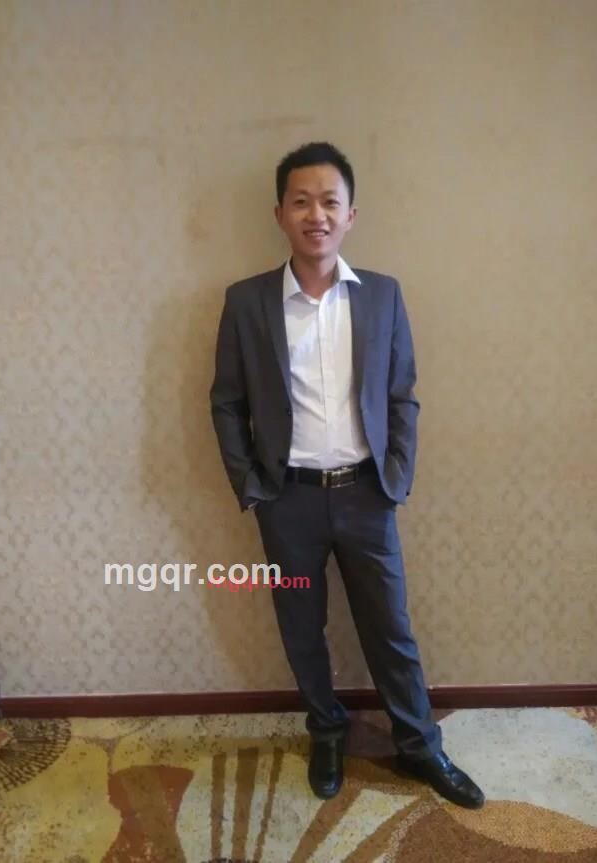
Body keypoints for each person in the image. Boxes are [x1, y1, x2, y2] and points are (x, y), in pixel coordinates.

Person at [209, 141, 484, 809]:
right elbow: (226, 401)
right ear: (280, 213)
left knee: (390, 627)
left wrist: (396, 476)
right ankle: (327, 731)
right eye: (301, 201)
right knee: (301, 626)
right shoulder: (247, 302)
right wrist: (253, 486)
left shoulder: (382, 296)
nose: (317, 215)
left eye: (330, 202)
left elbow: (401, 395)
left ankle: (419, 744)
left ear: (351, 214)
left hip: (366, 495)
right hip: (288, 500)